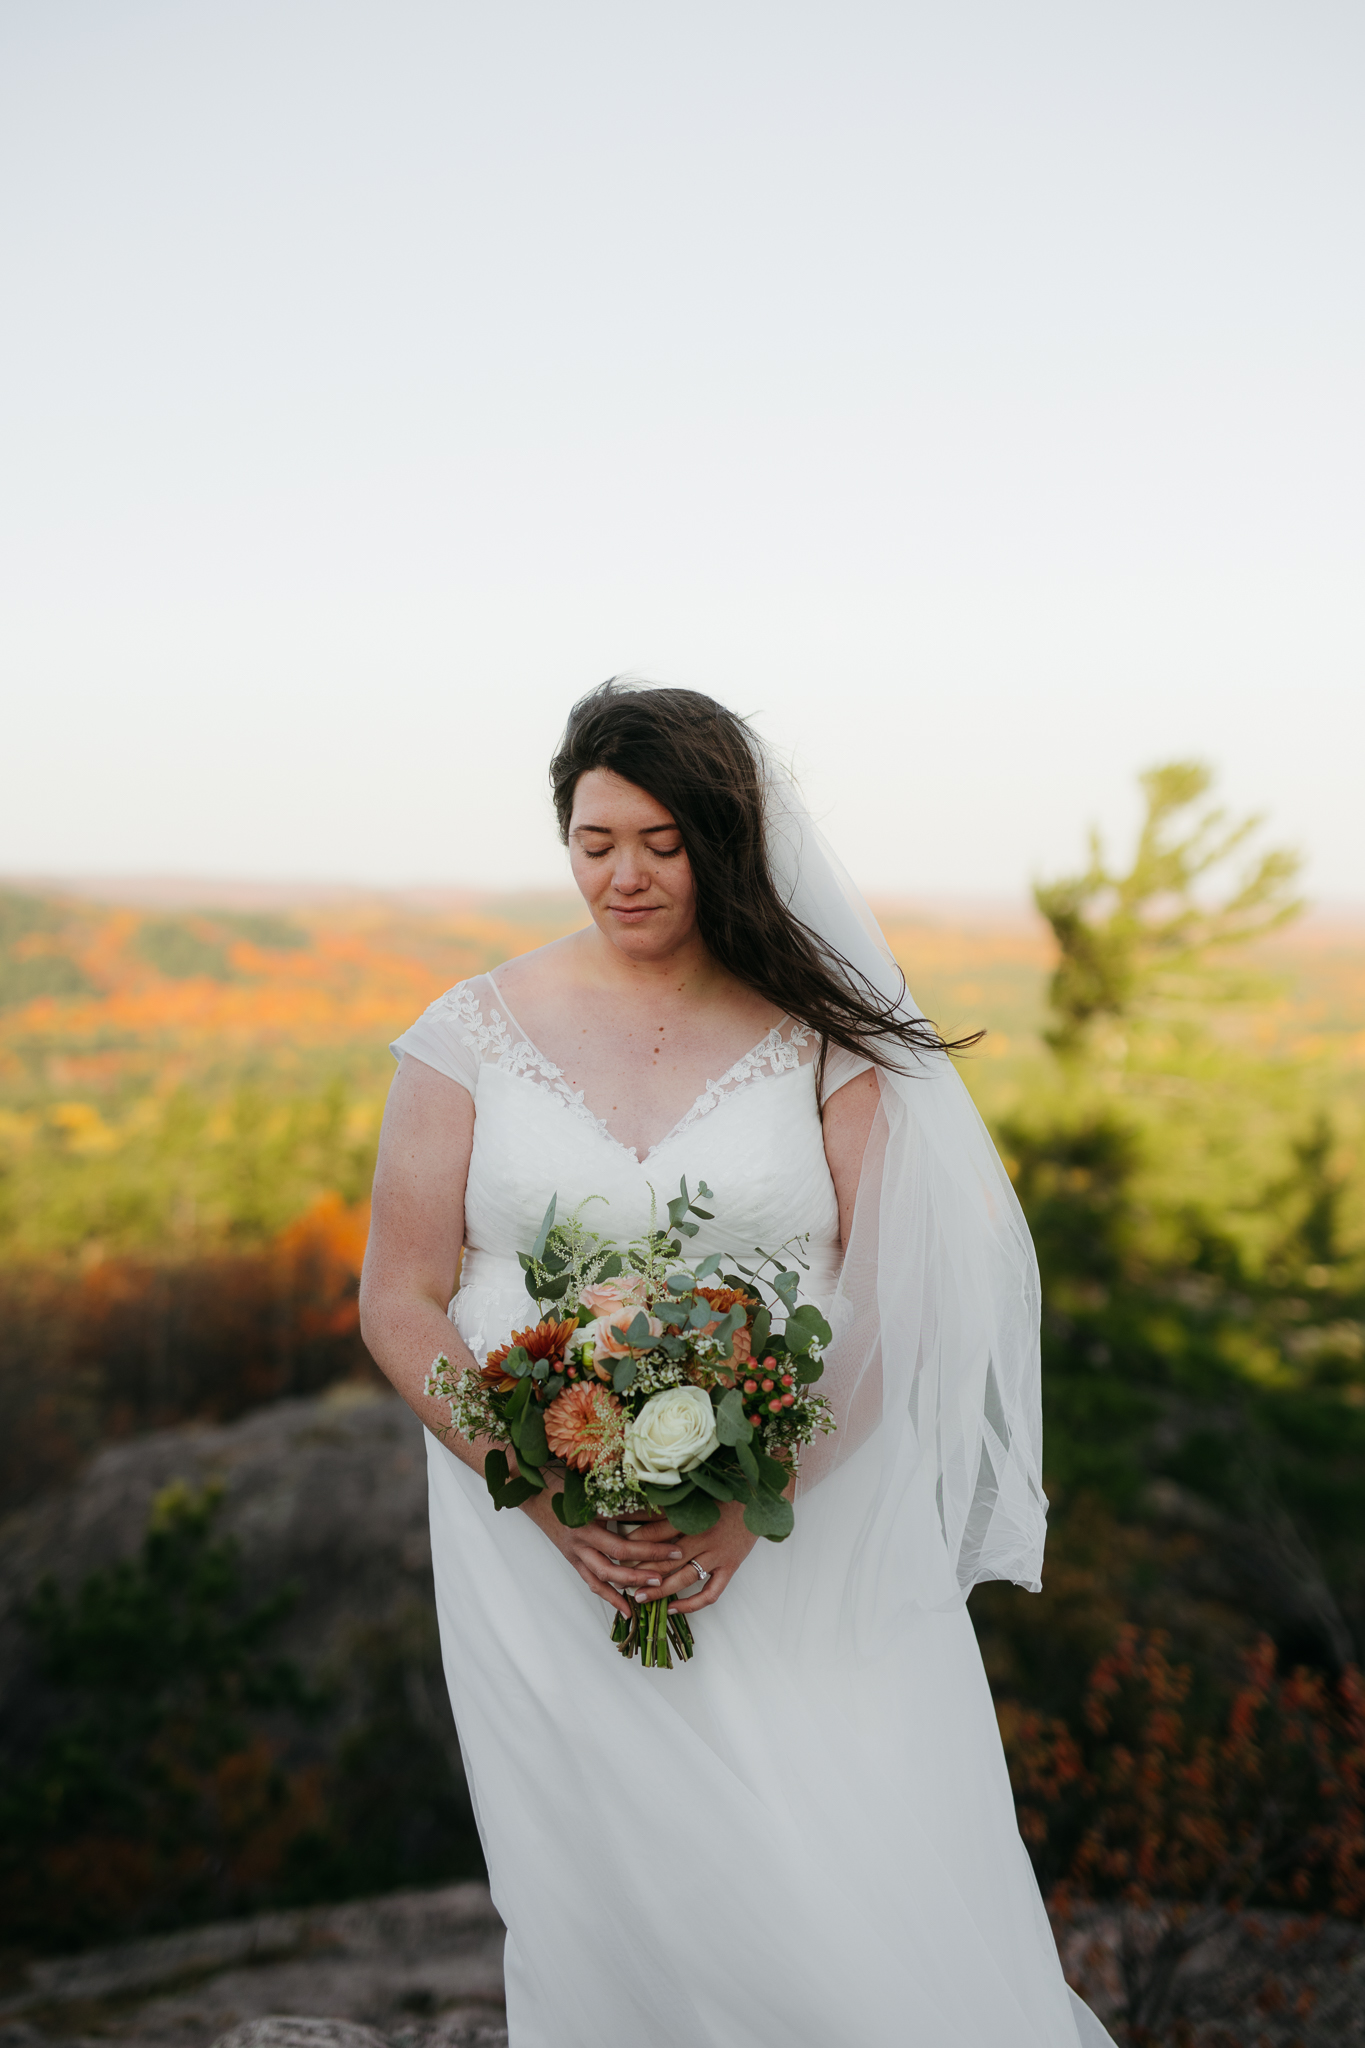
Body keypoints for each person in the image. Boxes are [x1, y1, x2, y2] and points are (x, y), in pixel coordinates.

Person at [360, 680, 1114, 2047]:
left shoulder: (824, 1037)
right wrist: (537, 1483)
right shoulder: (466, 1032)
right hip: (535, 1534)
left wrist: (743, 1502)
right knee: (601, 1871)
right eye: (596, 841)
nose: (625, 873)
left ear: (724, 838)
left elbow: (890, 1300)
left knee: (831, 1865)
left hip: (790, 1517)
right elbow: (397, 1296)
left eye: (662, 840)